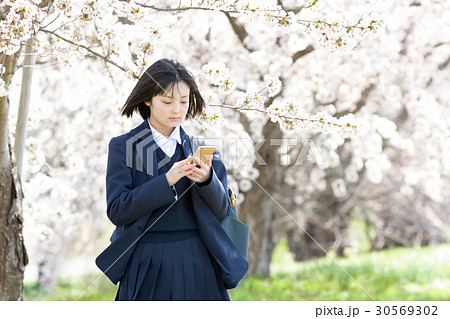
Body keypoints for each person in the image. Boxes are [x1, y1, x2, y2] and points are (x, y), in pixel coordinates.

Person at [105, 58, 234, 301]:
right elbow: (117, 210)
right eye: (167, 101)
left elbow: (222, 211)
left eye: (183, 101)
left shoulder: (202, 149)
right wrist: (166, 181)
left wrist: (207, 180)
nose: (177, 109)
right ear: (147, 100)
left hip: (198, 258)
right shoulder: (124, 147)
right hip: (146, 260)